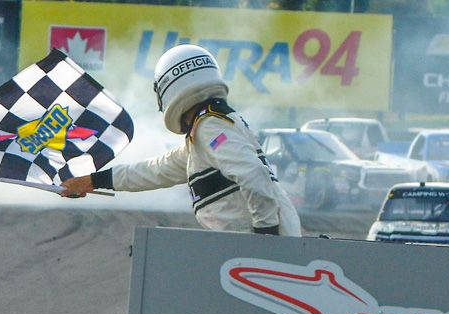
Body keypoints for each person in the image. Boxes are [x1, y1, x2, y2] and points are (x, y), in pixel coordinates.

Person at [59, 44, 301, 236]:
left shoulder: (210, 125)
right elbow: (152, 171)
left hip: (257, 248)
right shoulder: (204, 133)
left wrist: (266, 235)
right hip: (246, 245)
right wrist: (92, 181)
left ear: (169, 86)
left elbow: (252, 174)